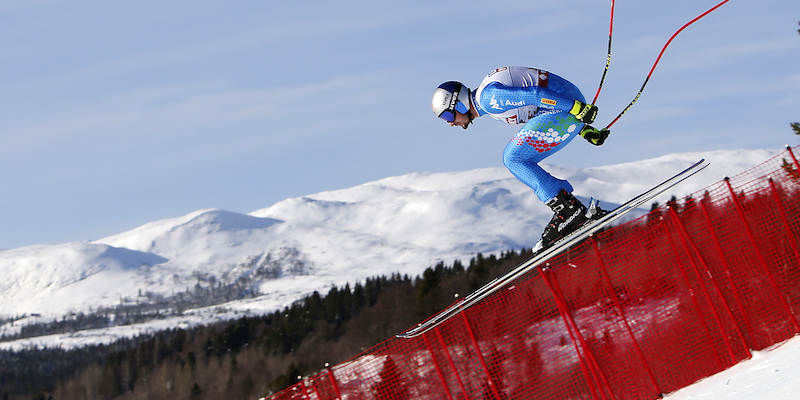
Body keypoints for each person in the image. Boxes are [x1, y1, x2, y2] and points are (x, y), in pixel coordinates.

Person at [431, 66, 610, 252]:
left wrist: (576, 108)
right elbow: (538, 108)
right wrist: (583, 129)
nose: (450, 123)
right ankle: (569, 208)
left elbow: (535, 94)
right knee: (518, 157)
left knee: (513, 158)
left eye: (447, 115)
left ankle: (568, 210)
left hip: (564, 106)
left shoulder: (489, 99)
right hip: (562, 106)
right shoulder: (489, 102)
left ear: (458, 103)